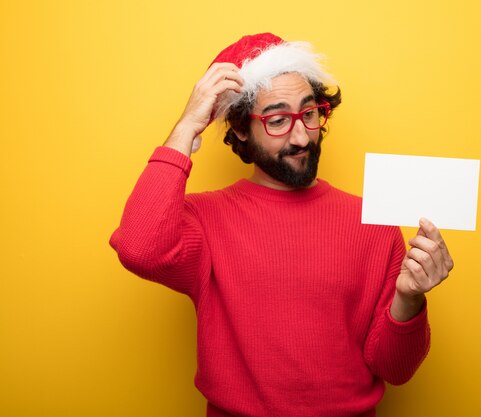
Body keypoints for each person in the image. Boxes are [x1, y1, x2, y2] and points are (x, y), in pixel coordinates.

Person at [110, 33, 454, 417]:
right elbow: (139, 247)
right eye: (277, 120)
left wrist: (409, 298)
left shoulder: (374, 224)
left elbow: (396, 369)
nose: (301, 135)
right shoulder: (207, 220)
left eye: (309, 113)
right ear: (240, 129)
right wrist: (187, 125)